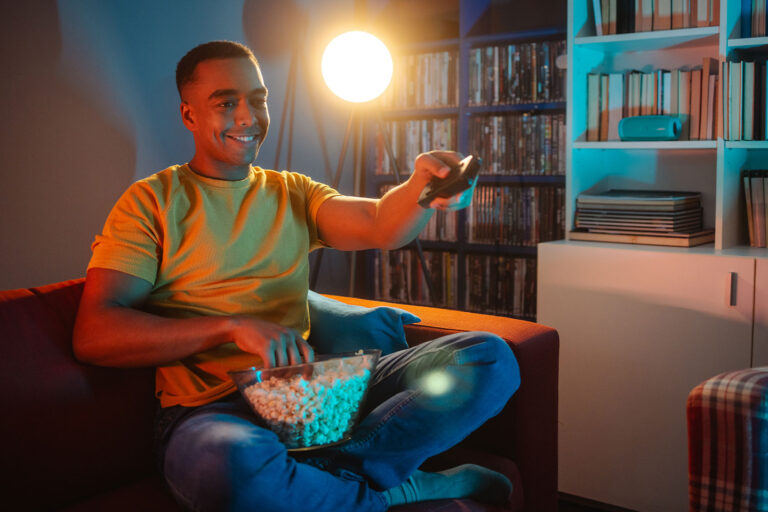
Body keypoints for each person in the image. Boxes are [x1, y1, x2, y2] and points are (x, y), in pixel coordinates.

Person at [73, 40, 520, 512]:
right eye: (225, 103)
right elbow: (95, 333)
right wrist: (231, 327)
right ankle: (396, 489)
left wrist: (420, 188)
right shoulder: (151, 202)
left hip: (307, 397)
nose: (248, 117)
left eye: (258, 99)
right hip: (209, 414)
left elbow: (379, 223)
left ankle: (328, 481)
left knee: (489, 359)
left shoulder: (292, 192)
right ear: (189, 115)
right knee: (235, 465)